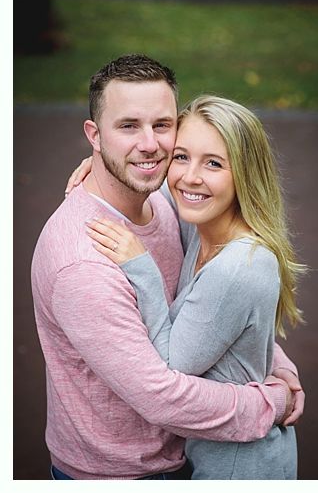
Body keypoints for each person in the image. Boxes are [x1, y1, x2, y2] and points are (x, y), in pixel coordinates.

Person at [32, 54, 302, 480]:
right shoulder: (83, 264)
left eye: (161, 126)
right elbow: (163, 396)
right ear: (94, 135)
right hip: (124, 474)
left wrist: (276, 365)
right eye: (127, 126)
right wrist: (271, 402)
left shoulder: (166, 204)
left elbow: (216, 307)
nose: (149, 144)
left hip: (186, 459)